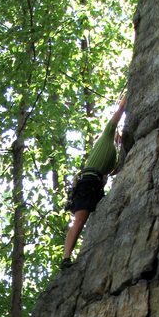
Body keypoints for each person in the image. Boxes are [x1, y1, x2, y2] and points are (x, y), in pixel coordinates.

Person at [61, 92, 127, 269]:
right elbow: (119, 110)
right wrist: (128, 96)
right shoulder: (105, 137)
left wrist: (121, 145)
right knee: (80, 220)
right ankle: (66, 258)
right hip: (88, 182)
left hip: (96, 186)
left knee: (100, 217)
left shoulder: (112, 153)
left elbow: (115, 170)